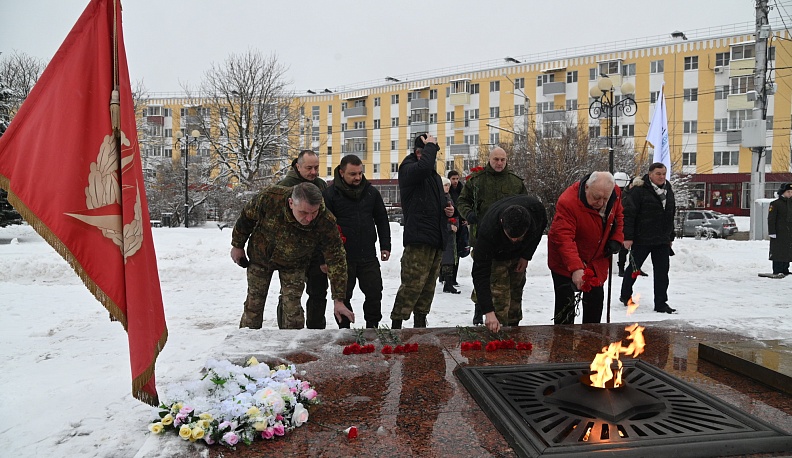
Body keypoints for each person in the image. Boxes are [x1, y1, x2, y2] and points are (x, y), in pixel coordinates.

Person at [230, 182, 354, 329]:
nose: (309, 219)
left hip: (295, 263)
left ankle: (293, 348)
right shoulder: (270, 198)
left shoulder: (324, 219)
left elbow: (336, 257)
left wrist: (338, 299)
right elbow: (246, 217)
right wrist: (237, 245)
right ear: (291, 203)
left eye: (313, 213)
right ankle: (246, 344)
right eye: (304, 213)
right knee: (254, 305)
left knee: (293, 310)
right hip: (261, 258)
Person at [456, 146, 527, 325]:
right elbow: (462, 201)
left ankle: (510, 318)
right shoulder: (477, 181)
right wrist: (469, 214)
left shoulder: (515, 182)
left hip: (509, 240)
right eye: (496, 159)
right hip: (483, 238)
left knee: (507, 283)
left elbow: (525, 207)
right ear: (489, 159)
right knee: (483, 274)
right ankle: (480, 307)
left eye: (502, 160)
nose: (499, 163)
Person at [390, 133, 454, 329]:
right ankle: (396, 327)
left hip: (436, 238)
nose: (427, 156)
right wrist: (430, 146)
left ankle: (420, 325)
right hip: (418, 238)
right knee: (412, 286)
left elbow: (440, 201)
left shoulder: (433, 177)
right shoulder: (408, 168)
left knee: (428, 288)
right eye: (424, 152)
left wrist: (448, 209)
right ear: (418, 152)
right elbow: (424, 167)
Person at [323, 154, 391, 328]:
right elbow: (322, 229)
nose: (358, 177)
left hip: (368, 254)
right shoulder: (330, 194)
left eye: (360, 173)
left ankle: (373, 326)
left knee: (375, 292)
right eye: (353, 174)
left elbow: (382, 219)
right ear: (341, 172)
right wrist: (323, 257)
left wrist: (385, 245)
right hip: (343, 257)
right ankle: (345, 329)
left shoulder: (371, 192)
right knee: (343, 295)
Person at [548, 172, 624, 324]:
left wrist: (617, 238)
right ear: (587, 188)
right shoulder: (568, 202)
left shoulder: (614, 192)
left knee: (595, 306)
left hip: (597, 259)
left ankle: (591, 344)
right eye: (596, 197)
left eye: (605, 198)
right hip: (565, 262)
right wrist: (576, 269)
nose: (601, 203)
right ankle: (563, 344)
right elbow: (564, 238)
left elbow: (619, 216)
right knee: (566, 309)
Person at [471, 195, 547, 332]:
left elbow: (538, 233)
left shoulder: (537, 212)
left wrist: (526, 256)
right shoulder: (488, 230)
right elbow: (480, 273)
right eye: (511, 236)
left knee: (515, 297)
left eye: (518, 237)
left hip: (519, 255)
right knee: (500, 297)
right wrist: (488, 312)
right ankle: (497, 332)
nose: (514, 240)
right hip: (496, 256)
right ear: (502, 222)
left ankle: (513, 331)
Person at [277, 150, 329, 329]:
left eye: (316, 167)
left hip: (316, 251)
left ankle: (316, 332)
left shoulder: (321, 186)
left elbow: (327, 221)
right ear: (297, 167)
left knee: (318, 293)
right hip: (292, 251)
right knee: (289, 295)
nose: (313, 172)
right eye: (309, 168)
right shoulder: (284, 187)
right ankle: (286, 331)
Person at [619, 162, 677, 314]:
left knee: (662, 272)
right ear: (650, 174)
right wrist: (628, 237)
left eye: (663, 173)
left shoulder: (668, 190)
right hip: (642, 238)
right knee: (633, 269)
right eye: (658, 174)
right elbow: (629, 214)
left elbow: (670, 214)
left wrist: (670, 235)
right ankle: (625, 295)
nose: (661, 176)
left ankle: (661, 303)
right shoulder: (639, 191)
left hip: (662, 239)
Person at [447, 170, 469, 284]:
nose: (455, 181)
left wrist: (466, 219)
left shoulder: (463, 190)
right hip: (451, 224)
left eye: (457, 178)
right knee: (450, 252)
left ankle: (453, 278)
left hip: (461, 224)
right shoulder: (447, 191)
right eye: (453, 179)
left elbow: (466, 205)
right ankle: (446, 277)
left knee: (459, 251)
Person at [440, 177, 461, 294]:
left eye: (448, 185)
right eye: (445, 185)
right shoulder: (441, 199)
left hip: (451, 233)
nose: (447, 187)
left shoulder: (449, 198)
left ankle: (448, 282)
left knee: (451, 257)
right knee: (447, 258)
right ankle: (447, 282)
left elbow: (455, 213)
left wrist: (456, 225)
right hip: (445, 233)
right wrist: (449, 226)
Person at [768, 182, 792, 278]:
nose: (790, 194)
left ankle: (785, 269)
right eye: (788, 192)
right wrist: (772, 232)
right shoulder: (775, 204)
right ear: (783, 192)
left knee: (787, 251)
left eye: (791, 192)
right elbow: (771, 219)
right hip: (779, 232)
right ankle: (777, 269)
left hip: (789, 232)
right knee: (778, 251)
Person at [613, 171, 632, 277]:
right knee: (623, 248)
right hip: (620, 222)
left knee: (627, 247)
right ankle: (622, 268)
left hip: (626, 221)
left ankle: (630, 267)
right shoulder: (617, 194)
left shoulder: (628, 194)